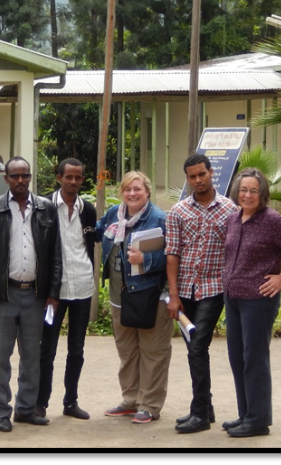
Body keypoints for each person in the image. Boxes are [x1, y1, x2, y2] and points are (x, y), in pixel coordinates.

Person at [222, 168, 281, 439]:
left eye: (253, 190)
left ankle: (258, 420)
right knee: (237, 357)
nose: (247, 195)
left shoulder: (271, 220)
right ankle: (246, 414)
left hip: (258, 300)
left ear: (262, 194)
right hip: (233, 298)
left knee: (255, 358)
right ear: (237, 191)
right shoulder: (233, 219)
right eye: (243, 190)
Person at [0, 157, 63, 433]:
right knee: (0, 357)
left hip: (35, 296)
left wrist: (52, 293)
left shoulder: (46, 208)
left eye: (25, 175)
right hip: (4, 296)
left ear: (30, 177)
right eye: (14, 176)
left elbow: (55, 255)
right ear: (6, 178)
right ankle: (2, 412)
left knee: (31, 356)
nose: (20, 181)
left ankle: (25, 409)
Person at [165, 155, 238, 435]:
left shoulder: (230, 210)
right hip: (184, 291)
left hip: (214, 289)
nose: (197, 180)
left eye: (201, 174)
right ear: (187, 178)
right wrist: (173, 295)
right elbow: (172, 253)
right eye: (192, 176)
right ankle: (206, 408)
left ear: (211, 173)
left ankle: (199, 413)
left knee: (197, 347)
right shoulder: (178, 211)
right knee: (194, 349)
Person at [98, 171, 172, 425]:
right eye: (128, 189)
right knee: (127, 352)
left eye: (137, 189)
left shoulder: (159, 218)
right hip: (120, 297)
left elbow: (174, 255)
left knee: (153, 352)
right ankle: (130, 400)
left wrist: (147, 260)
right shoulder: (112, 216)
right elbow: (94, 233)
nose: (132, 194)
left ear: (147, 192)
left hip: (150, 296)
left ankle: (150, 404)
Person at [36, 159, 98, 421]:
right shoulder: (45, 207)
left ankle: (70, 401)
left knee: (77, 349)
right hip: (54, 293)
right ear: (59, 177)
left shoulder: (88, 210)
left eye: (79, 177)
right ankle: (40, 403)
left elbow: (91, 243)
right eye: (69, 177)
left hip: (82, 286)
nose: (74, 182)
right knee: (46, 350)